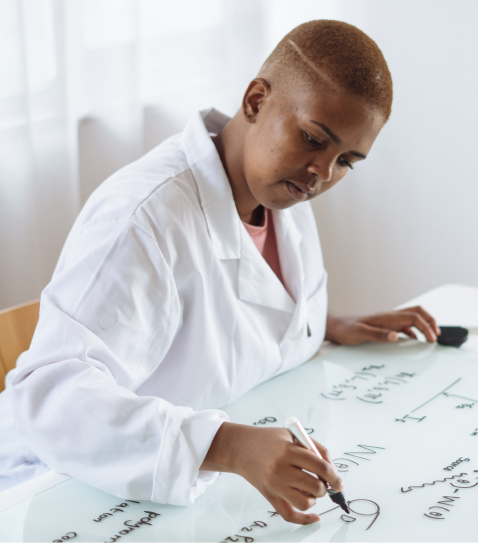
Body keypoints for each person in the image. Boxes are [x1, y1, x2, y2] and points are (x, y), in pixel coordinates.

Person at [0, 20, 440, 525]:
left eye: (348, 161)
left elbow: (235, 313)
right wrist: (228, 446)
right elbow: (48, 400)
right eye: (314, 139)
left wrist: (319, 324)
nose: (323, 173)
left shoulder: (283, 190)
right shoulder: (144, 218)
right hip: (56, 487)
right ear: (255, 101)